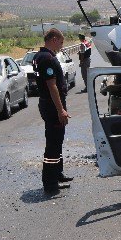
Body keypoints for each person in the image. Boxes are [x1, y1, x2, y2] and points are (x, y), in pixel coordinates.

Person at [33, 28, 73, 193]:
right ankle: (50, 183)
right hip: (52, 105)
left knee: (58, 140)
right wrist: (61, 110)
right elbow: (52, 86)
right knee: (53, 144)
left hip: (48, 104)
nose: (61, 46)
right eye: (61, 42)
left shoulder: (38, 56)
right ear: (54, 39)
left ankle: (57, 173)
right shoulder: (47, 58)